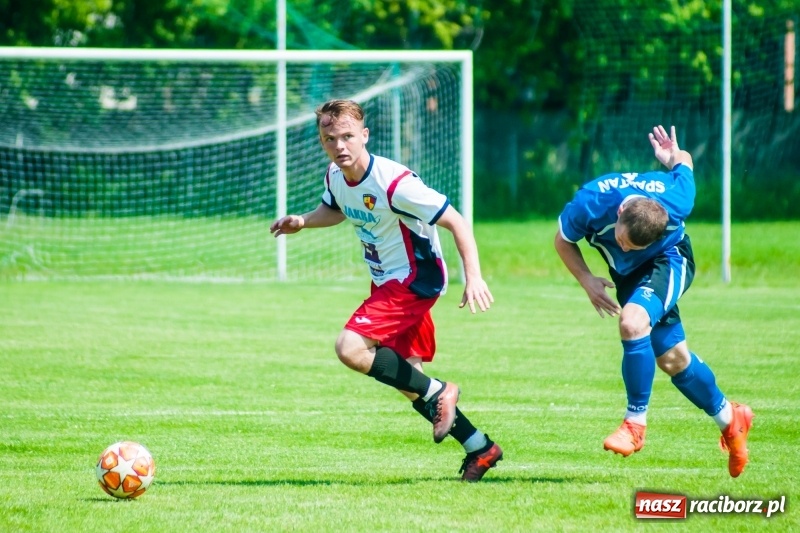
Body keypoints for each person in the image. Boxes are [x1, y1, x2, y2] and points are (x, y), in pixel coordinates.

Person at [270, 99, 502, 482]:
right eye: (330, 138)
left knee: (350, 348)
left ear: (364, 136)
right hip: (386, 280)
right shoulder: (335, 175)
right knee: (409, 382)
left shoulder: (395, 183)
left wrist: (473, 276)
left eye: (347, 137)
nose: (340, 145)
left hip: (414, 278)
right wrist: (302, 221)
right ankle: (480, 447)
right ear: (322, 141)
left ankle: (443, 390)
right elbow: (336, 209)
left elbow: (457, 222)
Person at [554, 125, 754, 478]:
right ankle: (730, 419)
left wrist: (672, 157)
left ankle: (634, 424)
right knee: (674, 360)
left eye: (634, 246)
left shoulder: (677, 199)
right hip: (630, 276)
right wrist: (586, 280)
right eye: (622, 242)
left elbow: (686, 161)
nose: (625, 248)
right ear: (618, 216)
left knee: (632, 322)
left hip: (669, 260)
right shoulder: (592, 201)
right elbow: (562, 240)